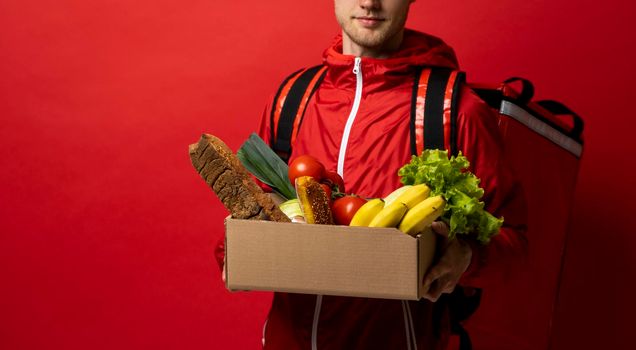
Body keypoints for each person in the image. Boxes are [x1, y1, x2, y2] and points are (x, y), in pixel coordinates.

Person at [216, 0, 527, 348]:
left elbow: (516, 244)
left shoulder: (454, 110)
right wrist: (236, 251)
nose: (369, 2)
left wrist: (467, 256)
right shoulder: (293, 99)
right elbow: (258, 209)